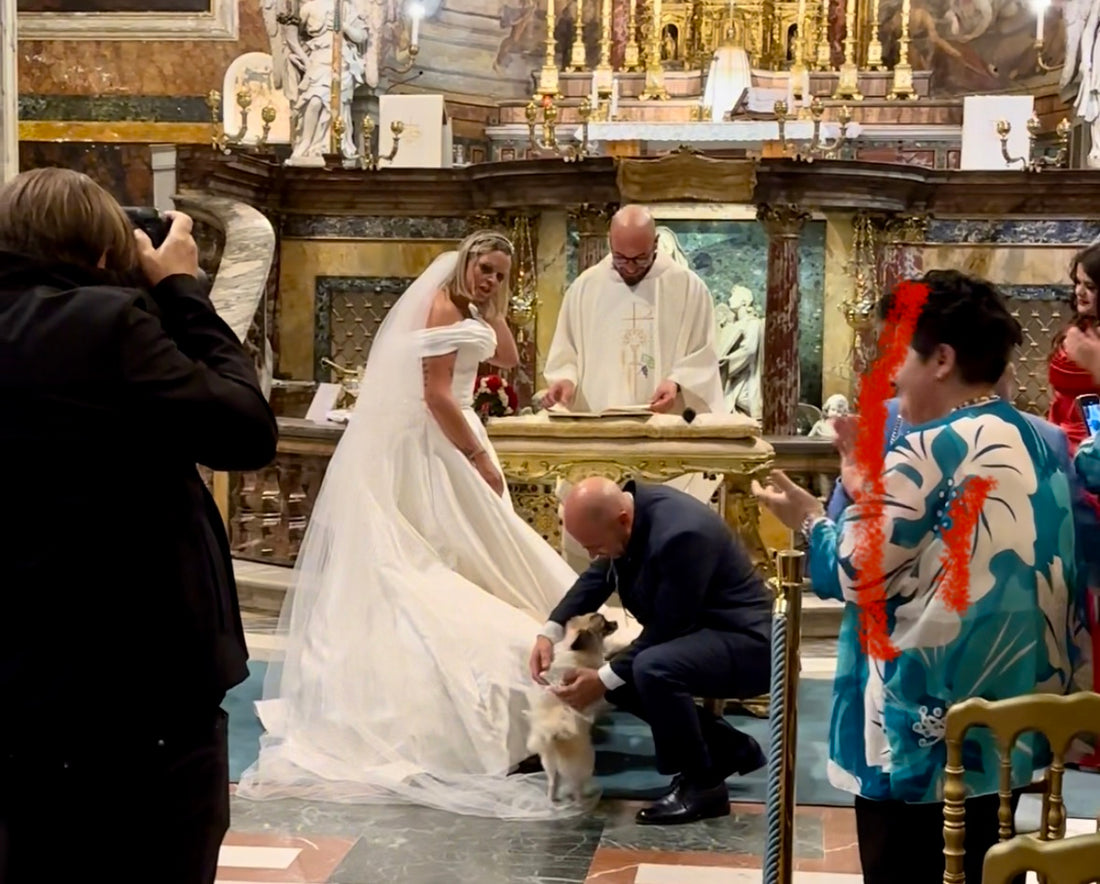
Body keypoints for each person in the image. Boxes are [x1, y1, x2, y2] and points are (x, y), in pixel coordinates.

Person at [237, 232, 597, 820]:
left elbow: (505, 359)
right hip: (434, 446)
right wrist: (477, 458)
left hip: (456, 437)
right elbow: (434, 395)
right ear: (464, 263)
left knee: (484, 552)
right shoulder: (443, 305)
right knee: (426, 561)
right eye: (484, 269)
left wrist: (496, 307)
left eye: (502, 274)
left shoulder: (472, 307)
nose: (491, 280)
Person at [753, 270, 1091, 884]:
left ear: (941, 358)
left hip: (925, 731)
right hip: (1011, 723)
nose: (890, 375)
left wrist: (809, 518)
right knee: (986, 865)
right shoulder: (1041, 440)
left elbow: (854, 572)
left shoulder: (930, 445)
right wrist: (864, 489)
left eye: (897, 354)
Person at [0, 168, 279, 882]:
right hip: (137, 678)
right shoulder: (105, 324)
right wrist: (182, 291)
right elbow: (243, 432)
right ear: (102, 251)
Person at [528, 477, 772, 825]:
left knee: (648, 668)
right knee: (624, 674)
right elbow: (600, 576)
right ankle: (725, 747)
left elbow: (670, 626)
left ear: (623, 520)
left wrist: (601, 678)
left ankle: (703, 787)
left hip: (748, 643)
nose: (595, 555)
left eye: (595, 546)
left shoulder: (681, 534)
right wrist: (549, 633)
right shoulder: (627, 516)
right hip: (701, 632)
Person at [541, 204, 724, 416]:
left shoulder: (689, 288)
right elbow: (567, 349)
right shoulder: (585, 288)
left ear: (655, 243)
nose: (629, 267)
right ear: (610, 243)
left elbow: (703, 353)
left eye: (639, 258)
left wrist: (677, 382)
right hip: (601, 426)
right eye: (621, 257)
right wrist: (565, 380)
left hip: (665, 425)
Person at [1047, 243, 1100, 453]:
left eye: (1091, 287)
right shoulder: (1082, 327)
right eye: (1077, 282)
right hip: (1060, 437)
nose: (1079, 292)